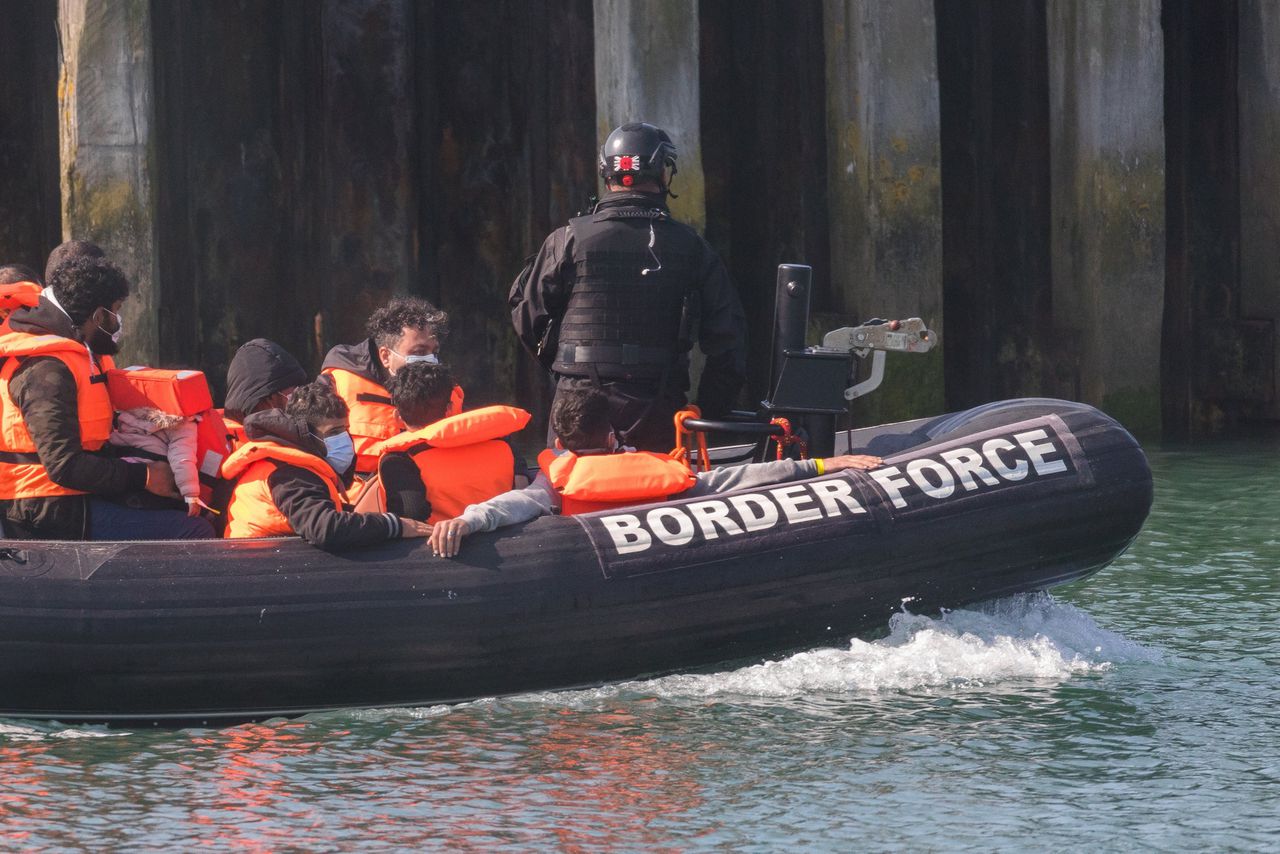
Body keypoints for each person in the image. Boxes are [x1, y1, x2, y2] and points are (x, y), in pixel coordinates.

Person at [510, 121, 748, 453]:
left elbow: (528, 316)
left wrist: (568, 371)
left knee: (572, 495)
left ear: (606, 174)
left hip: (577, 409)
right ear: (663, 174)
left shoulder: (567, 240)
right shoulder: (693, 248)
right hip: (656, 407)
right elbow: (729, 343)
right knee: (657, 497)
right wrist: (706, 409)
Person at [428, 388, 881, 557]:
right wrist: (821, 464)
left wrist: (467, 520)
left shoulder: (552, 487)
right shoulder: (664, 476)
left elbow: (511, 505)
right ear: (612, 436)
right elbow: (735, 480)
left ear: (560, 443)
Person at [0, 256, 213, 540]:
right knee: (194, 531)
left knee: (180, 507)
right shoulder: (47, 369)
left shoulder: (75, 351)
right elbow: (64, 466)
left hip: (75, 494)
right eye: (116, 311)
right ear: (98, 317)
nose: (118, 321)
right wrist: (145, 477)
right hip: (46, 508)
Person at [220, 376, 430, 549]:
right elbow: (324, 527)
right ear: (305, 434)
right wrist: (393, 525)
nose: (344, 439)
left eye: (345, 429)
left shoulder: (288, 463)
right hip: (259, 569)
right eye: (334, 432)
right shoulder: (289, 474)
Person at [369, 362, 528, 523]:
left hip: (446, 545)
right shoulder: (501, 441)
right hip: (508, 536)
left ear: (398, 417)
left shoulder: (397, 460)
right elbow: (523, 491)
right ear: (450, 408)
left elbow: (411, 518)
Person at [321, 296, 459, 476]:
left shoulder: (448, 390)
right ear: (386, 356)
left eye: (434, 352)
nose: (429, 361)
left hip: (433, 491)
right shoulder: (337, 383)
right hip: (359, 497)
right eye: (419, 352)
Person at [109, 406, 208, 517]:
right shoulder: (184, 423)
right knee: (202, 521)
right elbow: (182, 458)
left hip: (122, 466)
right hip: (155, 480)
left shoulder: (129, 407)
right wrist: (190, 494)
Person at [221, 338, 309, 448]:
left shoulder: (300, 438)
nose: (301, 402)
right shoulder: (220, 449)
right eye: (293, 397)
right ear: (266, 401)